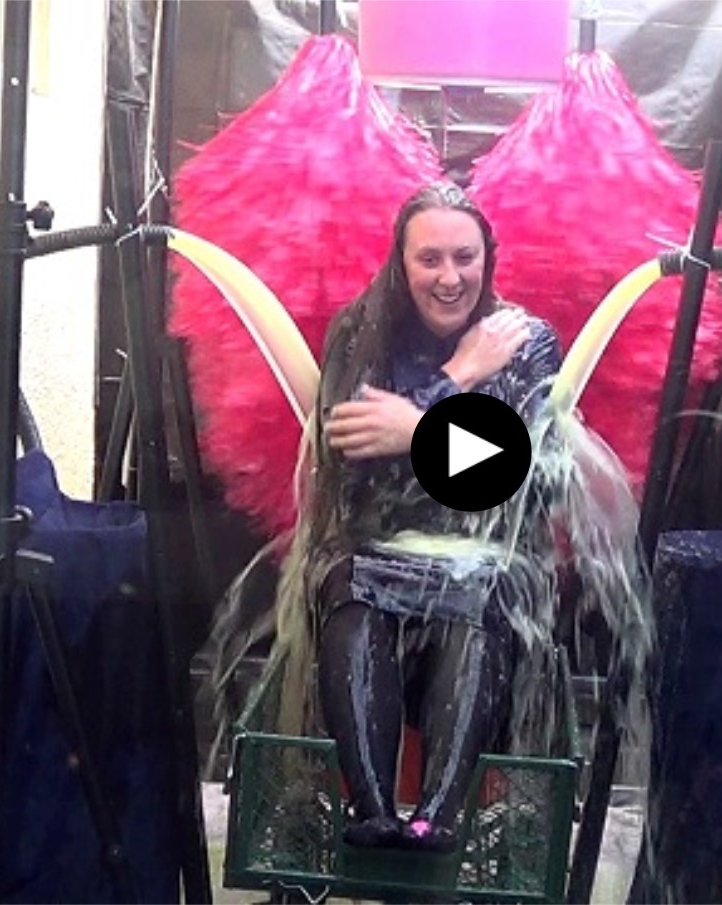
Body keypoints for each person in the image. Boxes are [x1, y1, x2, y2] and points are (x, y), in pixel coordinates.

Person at [288, 181, 564, 853]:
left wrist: (413, 426)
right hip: (373, 552)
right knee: (351, 581)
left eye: (465, 258)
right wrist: (459, 377)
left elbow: (532, 477)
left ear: (487, 258)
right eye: (430, 259)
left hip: (486, 560)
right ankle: (374, 814)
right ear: (401, 261)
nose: (450, 277)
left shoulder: (526, 341)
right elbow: (350, 454)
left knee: (481, 590)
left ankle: (435, 820)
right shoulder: (360, 331)